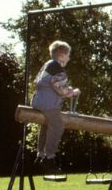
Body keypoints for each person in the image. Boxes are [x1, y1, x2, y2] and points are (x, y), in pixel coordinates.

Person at [30, 40, 80, 176]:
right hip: (48, 103)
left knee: (46, 125)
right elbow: (61, 89)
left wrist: (66, 89)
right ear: (62, 55)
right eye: (68, 55)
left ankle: (40, 155)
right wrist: (72, 92)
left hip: (38, 100)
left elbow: (51, 83)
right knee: (57, 125)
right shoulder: (57, 67)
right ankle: (49, 157)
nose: (69, 58)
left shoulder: (47, 65)